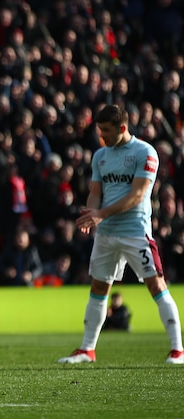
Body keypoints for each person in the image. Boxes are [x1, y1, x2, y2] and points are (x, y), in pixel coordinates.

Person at [58, 105, 183, 364]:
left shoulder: (145, 152)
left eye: (106, 130)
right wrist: (91, 212)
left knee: (156, 285)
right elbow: (96, 191)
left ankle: (178, 349)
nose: (102, 135)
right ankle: (87, 350)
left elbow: (138, 195)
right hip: (106, 233)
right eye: (100, 130)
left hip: (135, 230)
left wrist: (101, 214)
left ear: (123, 128)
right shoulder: (100, 156)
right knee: (98, 288)